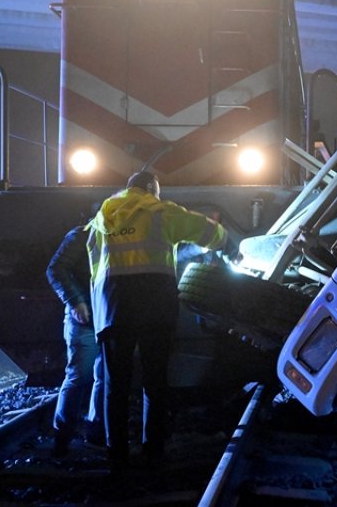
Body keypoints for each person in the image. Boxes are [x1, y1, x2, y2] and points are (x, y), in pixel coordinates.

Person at [86, 171, 226, 476]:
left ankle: (117, 456)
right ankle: (153, 452)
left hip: (113, 309)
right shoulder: (159, 210)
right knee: (155, 383)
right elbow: (206, 230)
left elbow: (95, 268)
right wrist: (224, 240)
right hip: (154, 308)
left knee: (115, 387)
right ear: (152, 190)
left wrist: (100, 312)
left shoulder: (102, 218)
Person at [45, 217, 105, 457]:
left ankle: (89, 434)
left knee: (97, 377)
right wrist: (75, 301)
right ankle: (65, 435)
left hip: (101, 320)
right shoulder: (82, 235)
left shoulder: (92, 235)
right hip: (89, 321)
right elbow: (55, 269)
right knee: (83, 376)